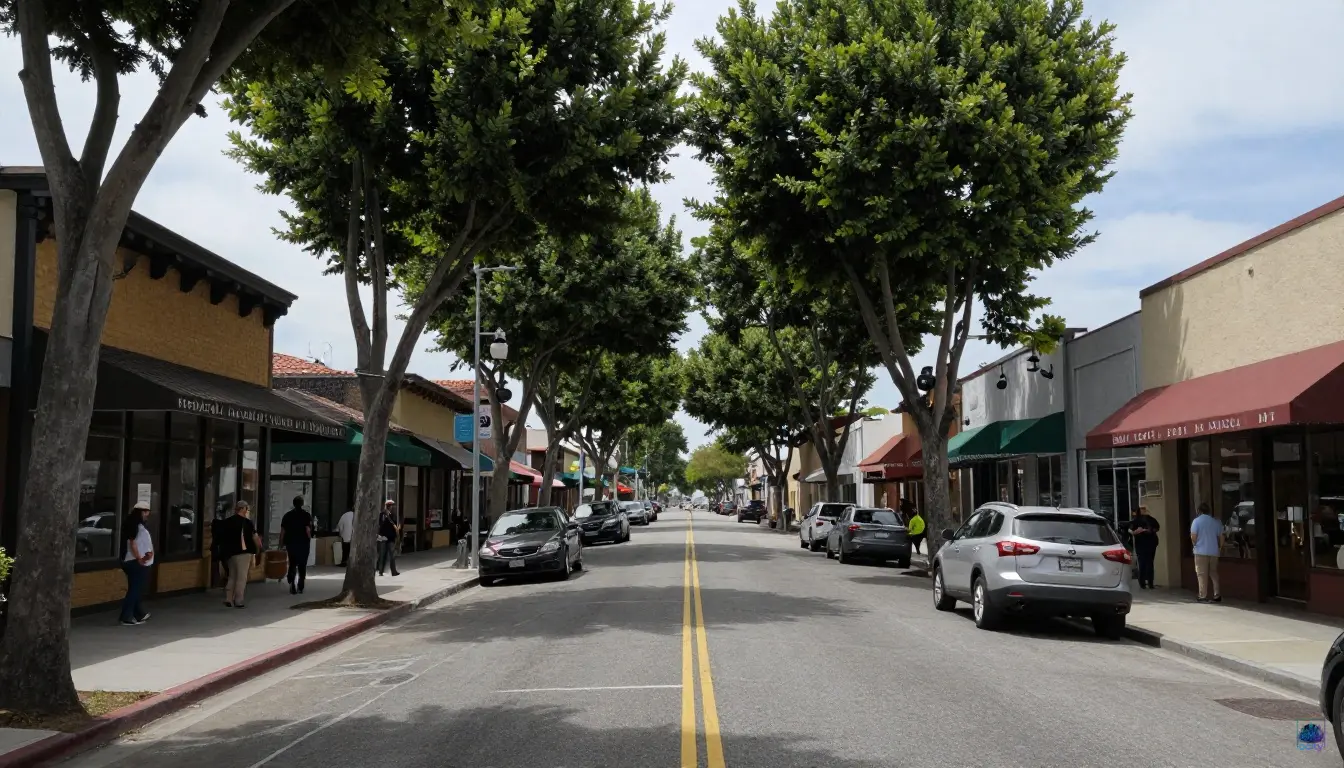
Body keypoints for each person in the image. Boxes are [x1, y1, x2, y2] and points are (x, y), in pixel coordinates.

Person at [219, 500, 263, 608]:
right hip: (244, 553)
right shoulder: (247, 523)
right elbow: (255, 538)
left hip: (230, 554)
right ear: (242, 509)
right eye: (247, 509)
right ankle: (238, 600)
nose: (247, 511)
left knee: (232, 576)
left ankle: (228, 598)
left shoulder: (227, 522)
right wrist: (259, 548)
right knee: (241, 577)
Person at [120, 501, 154, 626]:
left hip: (131, 560)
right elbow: (133, 543)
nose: (147, 515)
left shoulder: (132, 525)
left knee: (135, 588)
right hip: (135, 561)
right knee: (134, 590)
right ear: (140, 512)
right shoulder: (136, 527)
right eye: (145, 513)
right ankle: (126, 616)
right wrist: (139, 558)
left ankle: (139, 613)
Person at [1190, 502, 1225, 603]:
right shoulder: (1216, 522)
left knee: (1201, 574)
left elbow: (1193, 536)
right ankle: (1217, 594)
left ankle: (1202, 595)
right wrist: (1220, 548)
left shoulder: (1196, 521)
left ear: (1199, 511)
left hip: (1200, 551)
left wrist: (1195, 545)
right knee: (1213, 573)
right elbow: (1222, 537)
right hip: (1214, 551)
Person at [280, 495, 313, 595]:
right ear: (302, 504)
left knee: (292, 564)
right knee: (302, 565)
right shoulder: (306, 515)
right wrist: (309, 538)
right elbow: (308, 530)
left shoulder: (287, 516)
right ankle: (300, 585)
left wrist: (281, 543)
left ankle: (292, 584)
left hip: (291, 543)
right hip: (303, 544)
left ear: (293, 504)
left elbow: (283, 531)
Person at [1130, 506, 1161, 589]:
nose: (1143, 511)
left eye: (1144, 509)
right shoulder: (1136, 520)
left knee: (1148, 563)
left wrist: (1148, 530)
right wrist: (1138, 531)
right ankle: (1144, 582)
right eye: (1142, 509)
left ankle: (1148, 582)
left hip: (1149, 544)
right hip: (1142, 544)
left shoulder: (1151, 519)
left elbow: (1157, 528)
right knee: (1144, 563)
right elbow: (1132, 531)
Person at [378, 500, 401, 577]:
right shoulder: (383, 515)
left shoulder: (392, 515)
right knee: (383, 555)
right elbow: (381, 525)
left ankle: (393, 571)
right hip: (384, 537)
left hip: (390, 538)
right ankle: (381, 571)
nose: (392, 507)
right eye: (391, 506)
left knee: (391, 555)